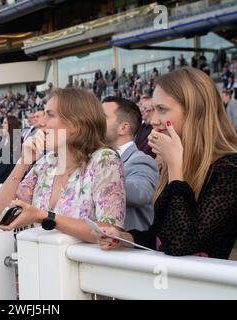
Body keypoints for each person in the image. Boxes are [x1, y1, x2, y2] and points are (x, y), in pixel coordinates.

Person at [94, 67, 237, 259]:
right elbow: (160, 236)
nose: (153, 120)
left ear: (195, 110)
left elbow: (179, 243)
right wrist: (124, 237)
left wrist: (176, 171)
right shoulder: (174, 162)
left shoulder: (228, 169)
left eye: (162, 109)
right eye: (153, 110)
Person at [0, 88, 126, 242]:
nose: (42, 123)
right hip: (39, 262)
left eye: (50, 115)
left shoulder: (104, 160)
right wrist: (23, 162)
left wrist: (44, 217)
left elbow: (106, 232)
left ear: (76, 123)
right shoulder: (45, 164)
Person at [102, 96, 159, 231]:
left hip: (126, 248)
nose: (95, 121)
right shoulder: (95, 157)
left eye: (102, 117)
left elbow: (140, 192)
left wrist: (95, 177)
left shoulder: (141, 160)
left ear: (123, 128)